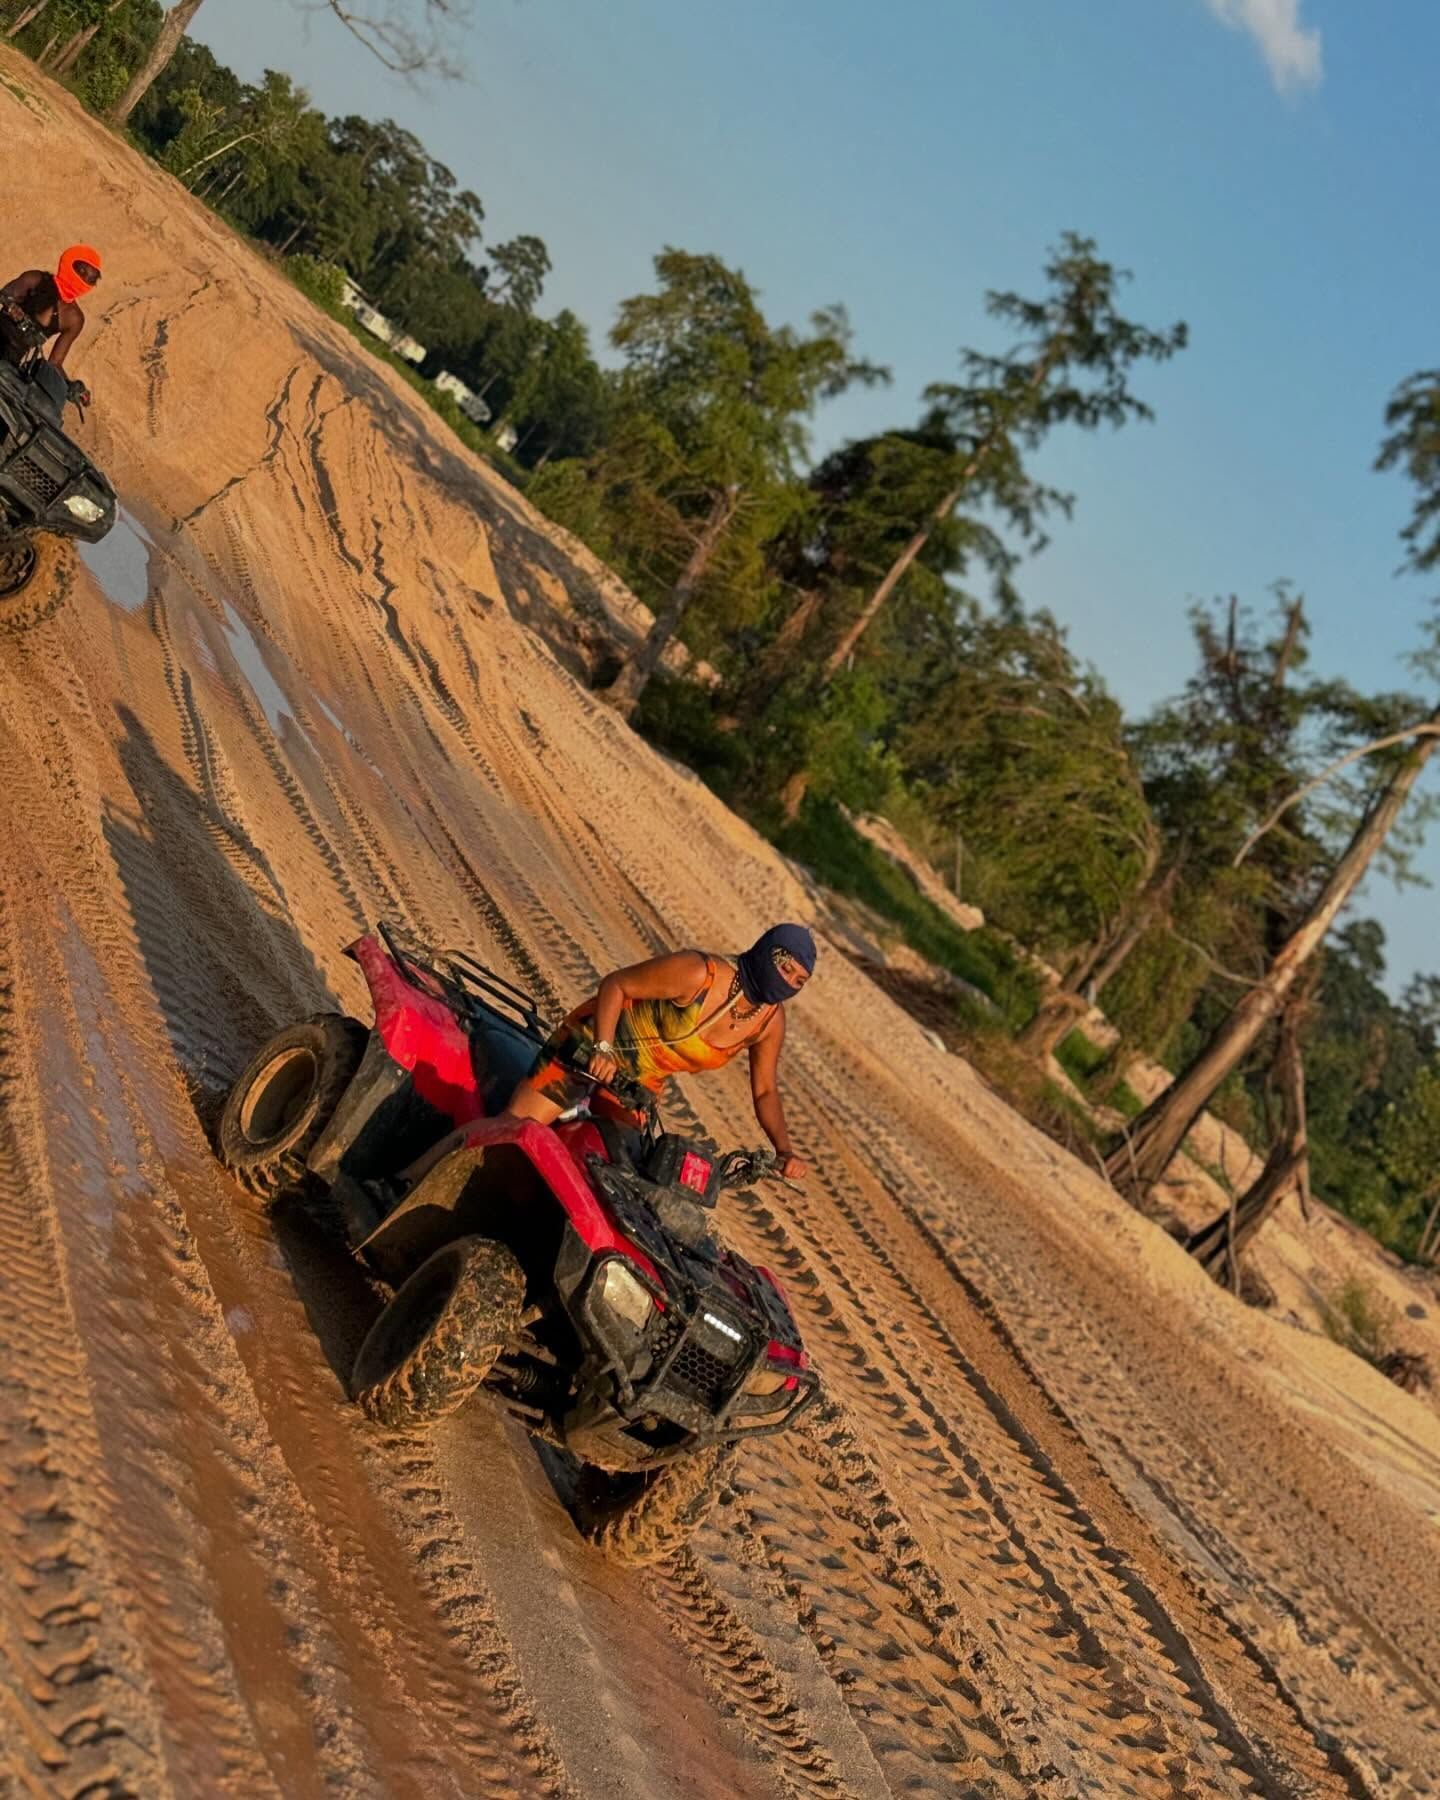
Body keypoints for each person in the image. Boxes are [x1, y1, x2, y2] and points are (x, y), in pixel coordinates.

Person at [506, 923, 817, 1181]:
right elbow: (616, 985)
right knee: (514, 1131)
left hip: (638, 1086)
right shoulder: (699, 973)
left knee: (618, 1177)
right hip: (589, 1047)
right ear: (765, 952)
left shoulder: (768, 1021)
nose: (787, 982)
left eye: (798, 980)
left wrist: (784, 1150)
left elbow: (765, 1091)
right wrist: (602, 1048)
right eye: (785, 967)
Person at [1, 245, 101, 419]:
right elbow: (5, 294)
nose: (84, 279)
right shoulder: (36, 278)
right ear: (69, 263)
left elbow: (55, 362)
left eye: (91, 278)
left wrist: (69, 385)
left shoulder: (74, 318)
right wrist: (14, 311)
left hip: (12, 359)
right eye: (81, 271)